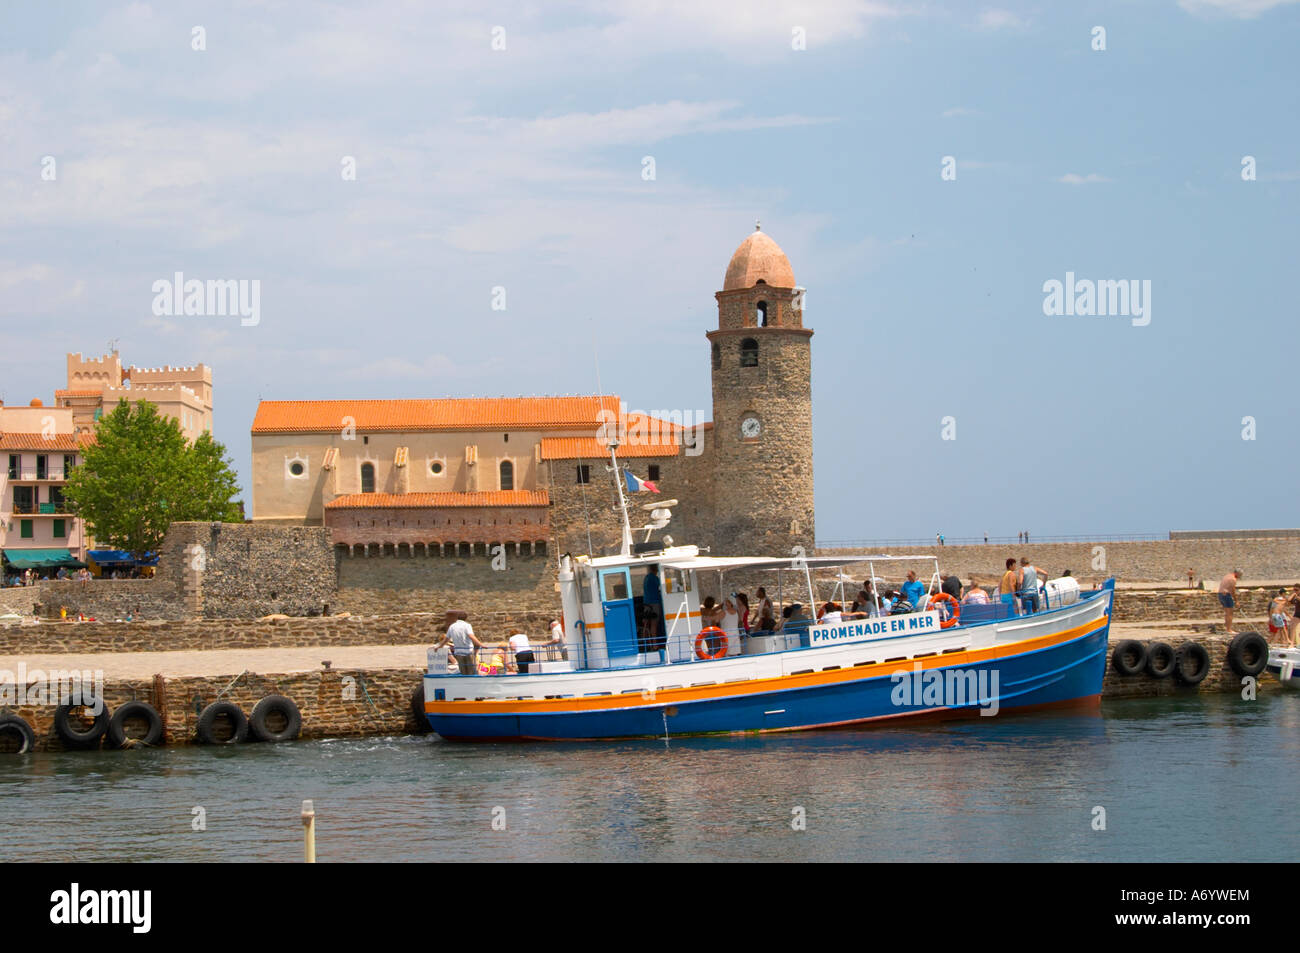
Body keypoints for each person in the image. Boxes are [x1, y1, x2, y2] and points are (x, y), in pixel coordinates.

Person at [433, 609, 482, 675]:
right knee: (471, 672)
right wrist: (480, 644)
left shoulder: (452, 626)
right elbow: (471, 636)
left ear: (457, 618)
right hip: (468, 651)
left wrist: (439, 647)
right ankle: (470, 682)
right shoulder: (467, 625)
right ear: (465, 618)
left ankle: (464, 682)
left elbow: (446, 639)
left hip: (458, 652)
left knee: (463, 672)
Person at [1218, 570, 1242, 635]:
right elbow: (1232, 591)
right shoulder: (1233, 579)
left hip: (1220, 594)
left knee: (1227, 613)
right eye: (1239, 576)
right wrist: (1236, 601)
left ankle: (1227, 629)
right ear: (1237, 573)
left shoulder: (1227, 576)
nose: (1239, 577)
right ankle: (1229, 630)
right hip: (1226, 595)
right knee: (1230, 613)